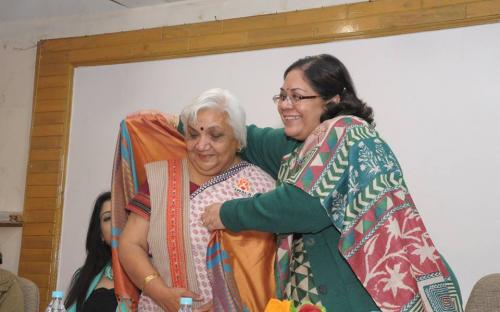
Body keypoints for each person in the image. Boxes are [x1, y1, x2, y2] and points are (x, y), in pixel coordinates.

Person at [202, 54, 463, 312]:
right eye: (282, 96)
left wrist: (226, 213)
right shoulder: (296, 148)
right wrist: (179, 122)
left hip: (368, 298)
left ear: (331, 101)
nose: (284, 104)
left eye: (297, 96)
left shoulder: (348, 132)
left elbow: (303, 205)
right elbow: (244, 136)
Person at [117, 88, 276, 311]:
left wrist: (229, 303)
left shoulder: (261, 187)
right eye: (193, 134)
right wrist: (159, 292)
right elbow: (130, 243)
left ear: (238, 140)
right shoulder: (162, 179)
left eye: (215, 135)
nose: (201, 145)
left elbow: (269, 263)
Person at [65, 191, 118, 312]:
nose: (115, 222)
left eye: (121, 213)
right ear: (101, 235)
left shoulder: (152, 275)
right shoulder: (85, 276)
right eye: (108, 218)